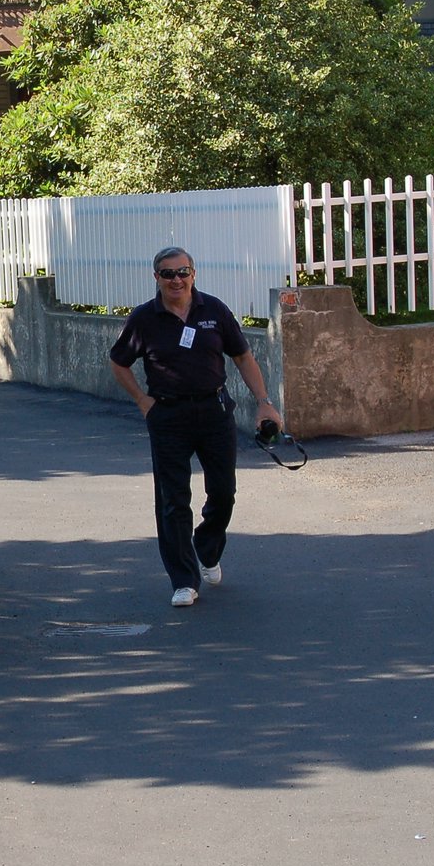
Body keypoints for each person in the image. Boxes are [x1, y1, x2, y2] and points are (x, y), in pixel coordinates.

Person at [108, 247, 282, 609]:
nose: (176, 279)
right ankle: (184, 580)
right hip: (168, 416)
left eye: (183, 272)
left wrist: (264, 401)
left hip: (214, 410)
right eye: (168, 273)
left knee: (224, 492)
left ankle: (206, 546)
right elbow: (119, 362)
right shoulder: (144, 318)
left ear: (194, 274)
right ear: (155, 278)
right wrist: (143, 401)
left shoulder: (213, 310)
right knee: (173, 501)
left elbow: (242, 357)